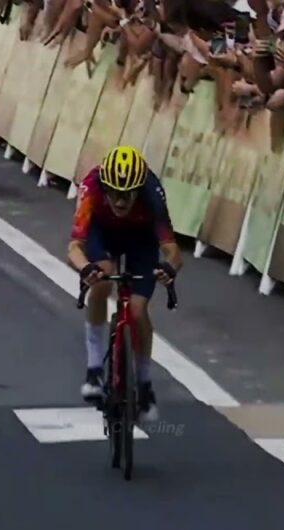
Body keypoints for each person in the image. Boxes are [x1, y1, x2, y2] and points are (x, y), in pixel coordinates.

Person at [68, 145, 183, 423]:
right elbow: (74, 246)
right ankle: (94, 369)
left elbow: (173, 250)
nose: (120, 202)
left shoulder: (151, 192)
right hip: (102, 233)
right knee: (103, 279)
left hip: (140, 238)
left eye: (127, 195)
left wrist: (169, 268)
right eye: (114, 194)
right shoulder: (92, 186)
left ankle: (144, 385)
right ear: (104, 187)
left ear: (138, 190)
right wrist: (86, 269)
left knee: (137, 310)